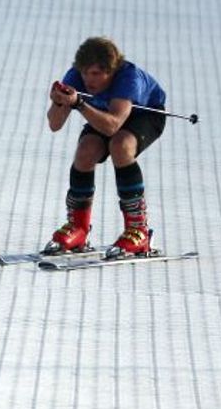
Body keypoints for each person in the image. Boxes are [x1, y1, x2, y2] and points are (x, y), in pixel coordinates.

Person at [46, 37, 167, 256]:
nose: (88, 80)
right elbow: (55, 125)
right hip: (105, 114)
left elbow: (112, 127)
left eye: (96, 74)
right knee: (85, 151)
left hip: (142, 115)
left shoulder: (127, 78)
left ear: (111, 71)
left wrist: (80, 104)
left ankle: (138, 230)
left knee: (120, 146)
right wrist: (58, 101)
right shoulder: (74, 77)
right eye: (85, 73)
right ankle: (79, 228)